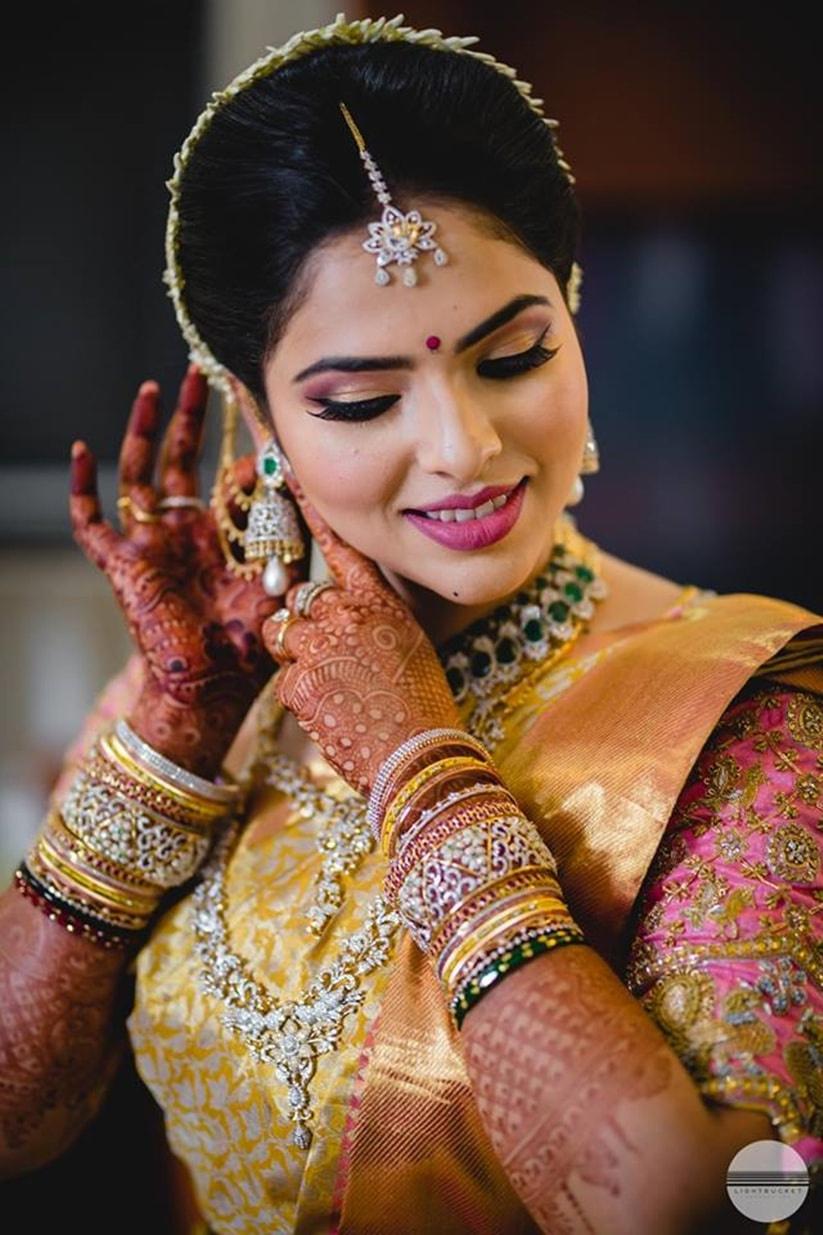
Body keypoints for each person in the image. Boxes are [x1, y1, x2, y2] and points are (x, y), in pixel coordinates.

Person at [1, 12, 821, 1234]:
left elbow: (732, 1204)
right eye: (365, 397)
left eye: (514, 356)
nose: (464, 448)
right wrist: (175, 724)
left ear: (574, 316)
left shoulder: (743, 712)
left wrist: (417, 765)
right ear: (258, 418)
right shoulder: (207, 702)